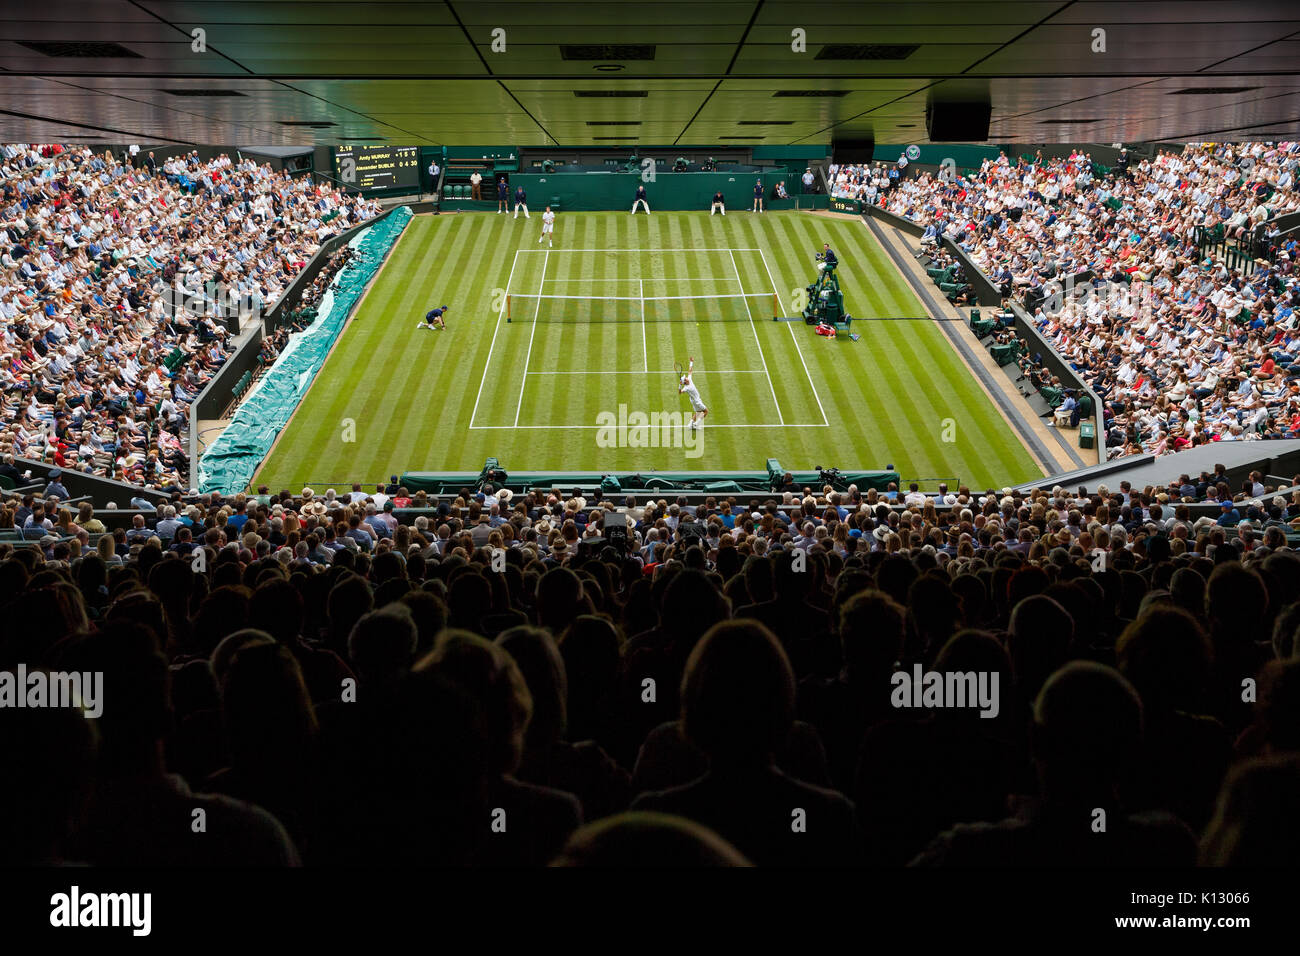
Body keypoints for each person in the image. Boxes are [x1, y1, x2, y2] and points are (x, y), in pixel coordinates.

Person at [679, 356, 708, 430]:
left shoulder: (689, 379)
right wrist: (680, 385)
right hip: (696, 400)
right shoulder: (686, 388)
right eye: (685, 378)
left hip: (693, 400)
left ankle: (690, 424)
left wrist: (691, 362)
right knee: (705, 411)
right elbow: (680, 392)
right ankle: (695, 424)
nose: (686, 378)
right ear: (684, 382)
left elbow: (690, 370)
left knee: (698, 412)